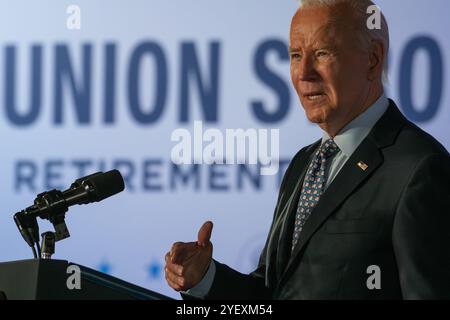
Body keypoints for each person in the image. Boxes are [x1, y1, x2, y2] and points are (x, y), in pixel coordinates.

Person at [164, 0, 450, 299]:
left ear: (373, 60)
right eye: (296, 55)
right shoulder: (305, 162)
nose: (304, 73)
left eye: (322, 53)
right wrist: (205, 279)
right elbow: (274, 293)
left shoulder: (420, 169)